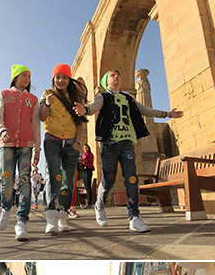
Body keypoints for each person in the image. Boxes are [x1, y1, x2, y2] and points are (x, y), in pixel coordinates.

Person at [74, 69, 182, 233]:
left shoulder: (128, 98)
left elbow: (144, 110)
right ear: (106, 82)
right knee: (108, 179)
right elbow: (94, 107)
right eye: (112, 75)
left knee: (132, 178)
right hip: (109, 144)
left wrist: (167, 113)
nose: (116, 76)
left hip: (127, 143)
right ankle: (100, 204)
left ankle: (134, 217)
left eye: (118, 74)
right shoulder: (103, 96)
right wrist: (85, 110)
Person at [0, 65, 40, 241]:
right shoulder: (4, 94)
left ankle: (22, 221)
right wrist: (2, 130)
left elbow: (36, 124)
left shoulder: (33, 99)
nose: (27, 79)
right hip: (7, 143)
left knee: (25, 179)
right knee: (6, 178)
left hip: (27, 143)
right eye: (24, 75)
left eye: (29, 76)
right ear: (15, 77)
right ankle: (6, 208)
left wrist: (37, 149)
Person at [39, 65, 87, 233]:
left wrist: (77, 143)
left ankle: (63, 215)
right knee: (54, 176)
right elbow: (41, 117)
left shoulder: (76, 97)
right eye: (57, 77)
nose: (61, 81)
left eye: (64, 77)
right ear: (53, 79)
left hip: (71, 142)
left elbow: (80, 121)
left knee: (68, 179)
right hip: (52, 140)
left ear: (69, 79)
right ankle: (51, 216)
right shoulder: (47, 94)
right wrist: (46, 103)